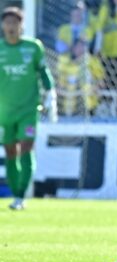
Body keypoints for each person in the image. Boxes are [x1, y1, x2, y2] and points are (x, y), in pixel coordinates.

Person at [0, 7, 57, 210]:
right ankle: (16, 193)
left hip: (28, 110)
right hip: (4, 113)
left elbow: (43, 72)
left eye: (15, 23)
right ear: (2, 25)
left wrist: (50, 95)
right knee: (9, 152)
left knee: (25, 148)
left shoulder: (33, 47)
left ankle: (20, 196)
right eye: (7, 23)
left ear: (21, 25)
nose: (11, 27)